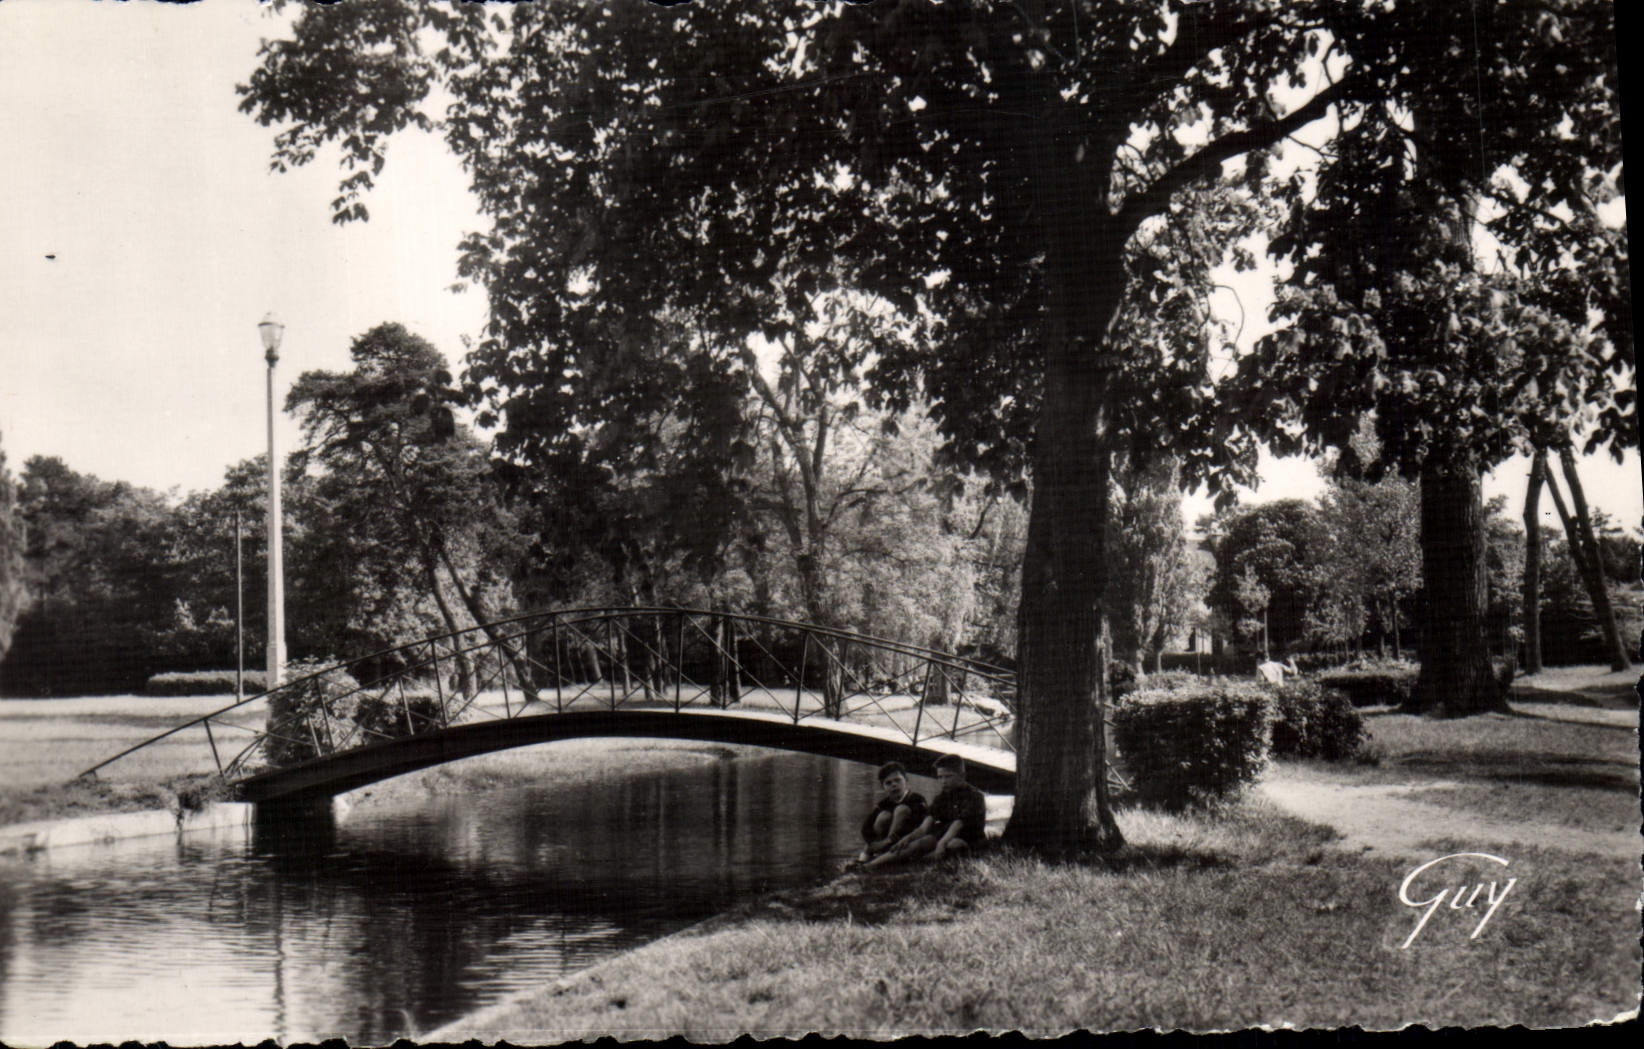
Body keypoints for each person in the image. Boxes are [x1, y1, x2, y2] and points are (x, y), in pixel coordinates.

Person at [864, 753, 988, 869]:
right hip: (944, 835)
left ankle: (916, 863)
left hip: (968, 838)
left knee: (952, 846)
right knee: (921, 842)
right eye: (940, 777)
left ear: (962, 776)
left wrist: (942, 843)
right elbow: (924, 827)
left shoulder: (974, 796)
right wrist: (907, 839)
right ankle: (870, 865)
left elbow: (958, 824)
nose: (943, 781)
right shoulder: (941, 798)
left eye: (948, 776)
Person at [853, 762, 928, 865]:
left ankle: (886, 855)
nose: (894, 785)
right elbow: (866, 828)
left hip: (906, 839)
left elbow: (919, 824)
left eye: (898, 780)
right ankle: (863, 859)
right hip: (884, 841)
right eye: (888, 783)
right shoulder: (883, 804)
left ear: (906, 780)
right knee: (884, 815)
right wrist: (874, 843)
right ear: (883, 787)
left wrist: (890, 840)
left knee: (901, 810)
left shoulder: (916, 799)